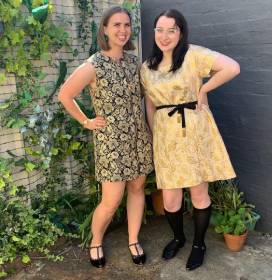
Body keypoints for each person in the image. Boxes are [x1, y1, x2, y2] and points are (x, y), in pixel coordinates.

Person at [140, 9, 240, 271]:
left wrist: (204, 89)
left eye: (171, 30)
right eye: (159, 30)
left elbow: (232, 67)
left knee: (198, 194)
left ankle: (198, 244)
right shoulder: (147, 67)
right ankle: (178, 237)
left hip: (194, 133)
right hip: (166, 137)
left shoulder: (194, 55)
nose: (164, 36)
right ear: (154, 33)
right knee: (171, 200)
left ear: (180, 32)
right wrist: (154, 135)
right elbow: (150, 105)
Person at [58, 6, 153, 268]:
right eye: (116, 25)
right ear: (105, 29)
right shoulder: (94, 64)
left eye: (126, 25)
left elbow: (146, 99)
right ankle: (96, 241)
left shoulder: (135, 62)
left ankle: (133, 239)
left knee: (136, 189)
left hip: (138, 138)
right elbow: (65, 95)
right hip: (111, 142)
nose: (122, 30)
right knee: (111, 200)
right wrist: (86, 121)